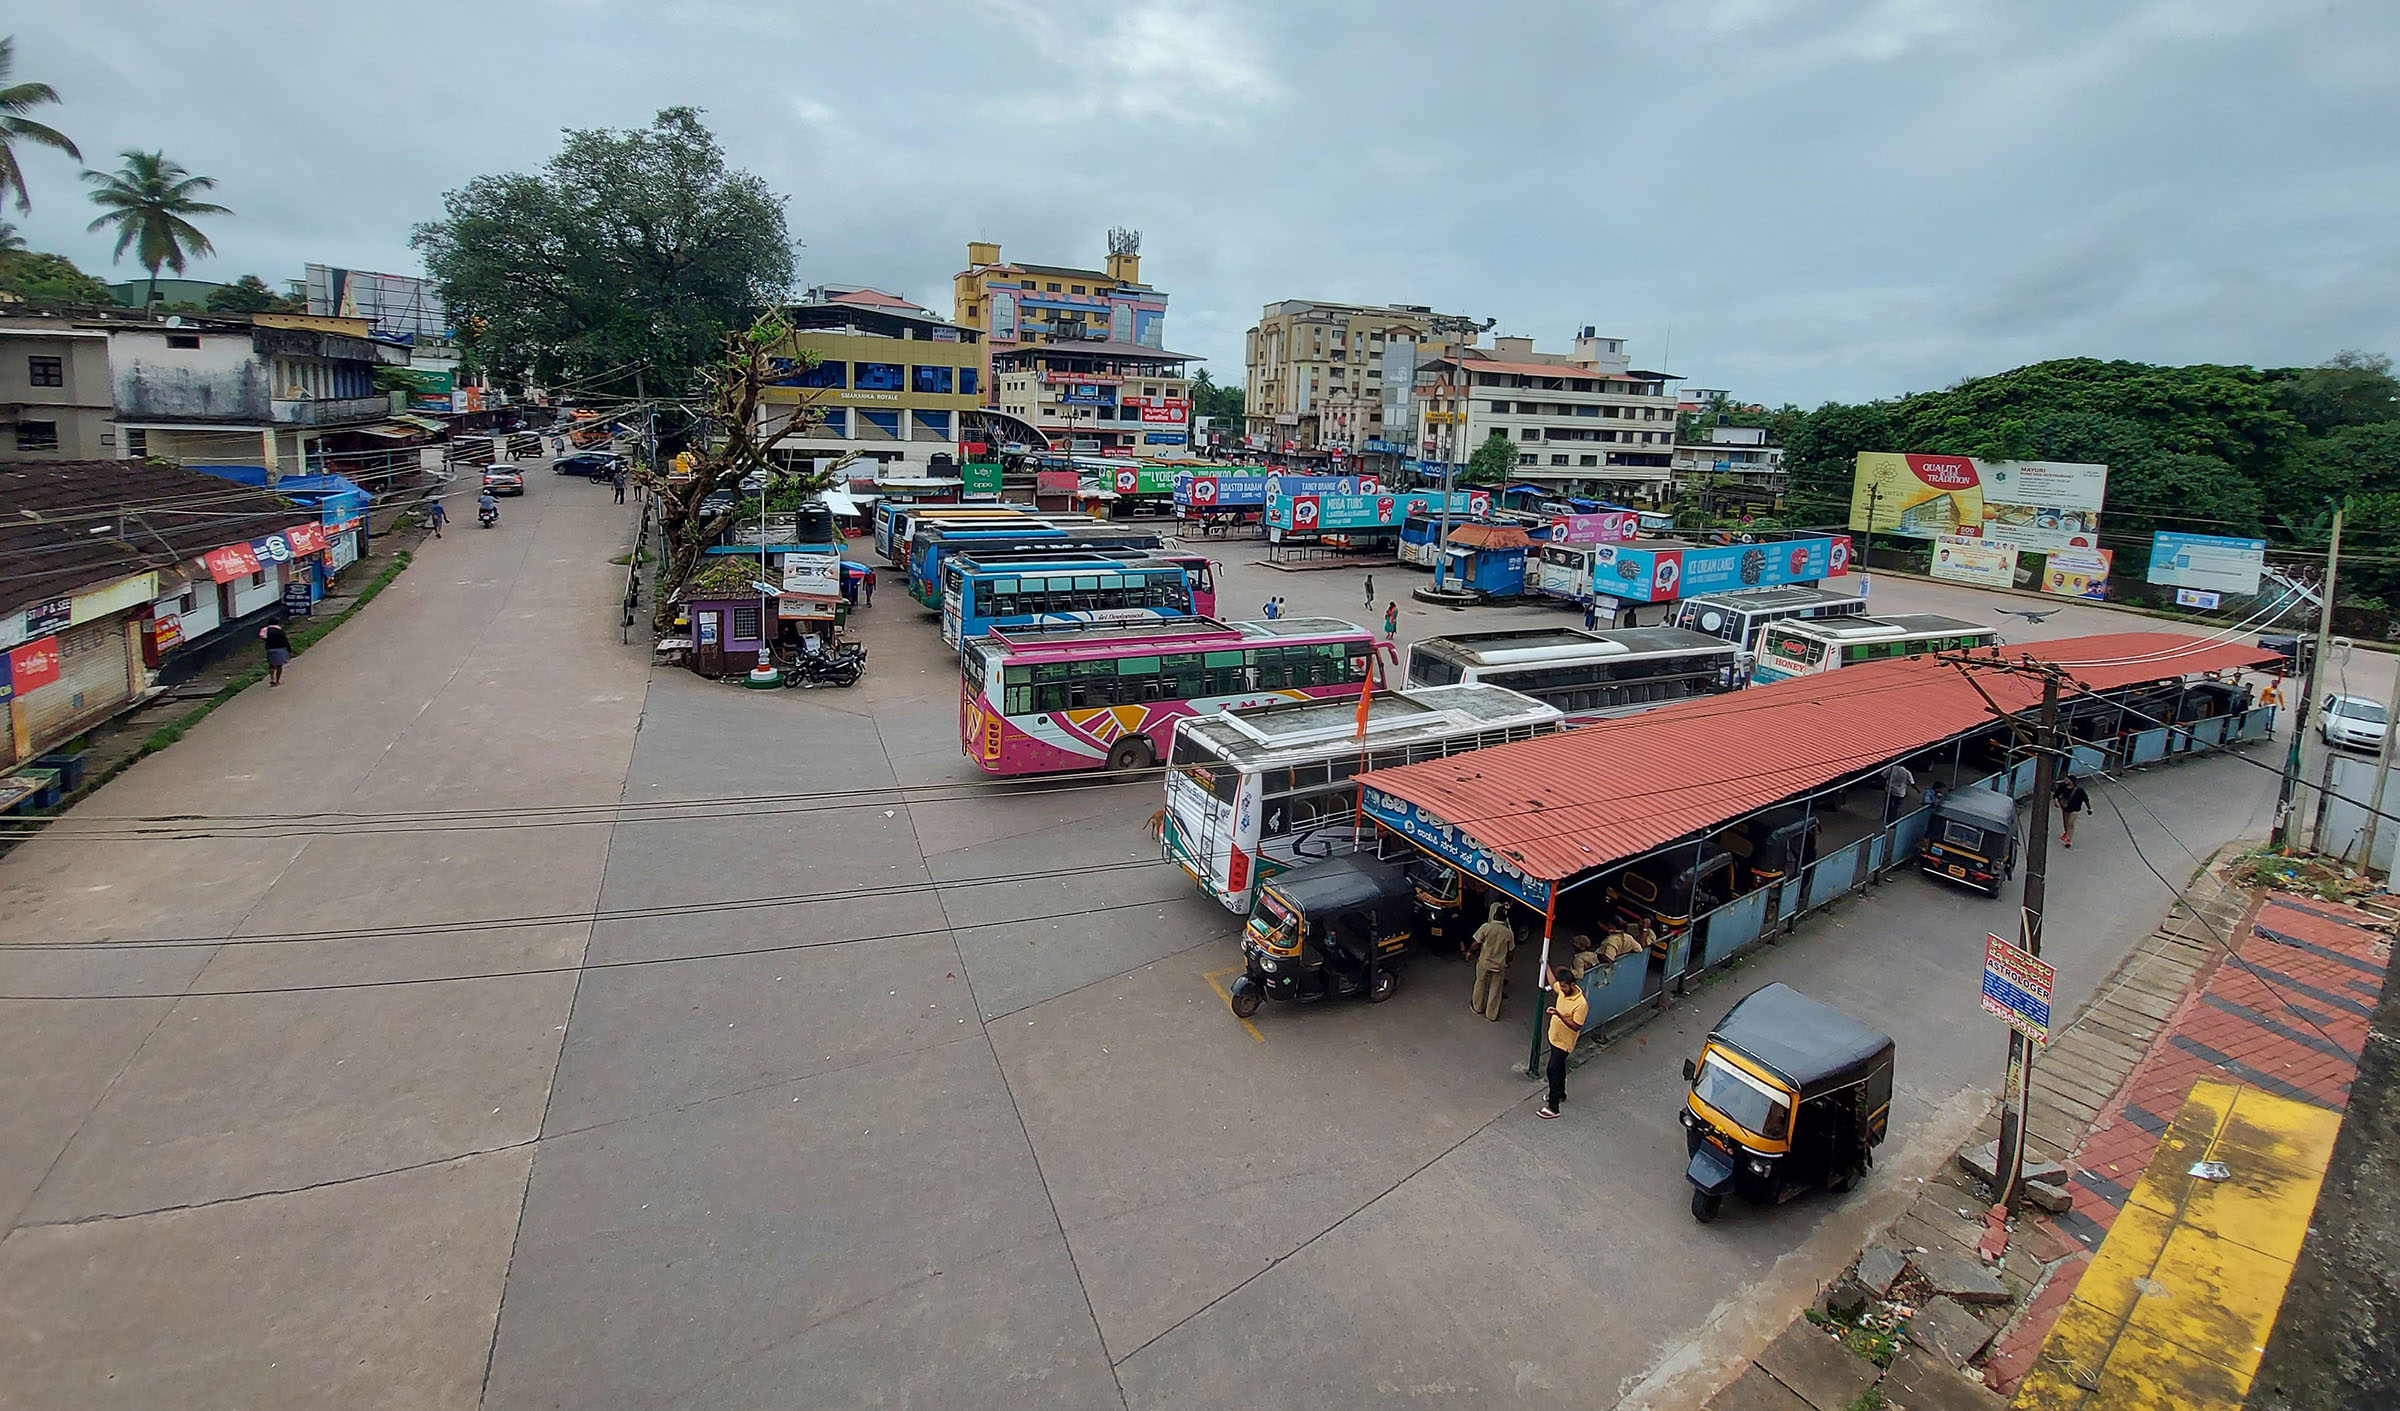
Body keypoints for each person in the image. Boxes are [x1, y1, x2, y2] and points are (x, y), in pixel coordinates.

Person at [1539, 966, 1588, 1119]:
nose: (1561, 989)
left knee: (1552, 1070)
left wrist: (1558, 1014)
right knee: (1559, 1068)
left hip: (1564, 1043)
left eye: (1564, 986)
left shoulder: (1581, 1004)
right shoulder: (1562, 990)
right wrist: (1546, 965)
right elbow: (1552, 981)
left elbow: (1576, 1026)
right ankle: (1560, 1093)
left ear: (1572, 985)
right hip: (1554, 1037)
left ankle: (1553, 1106)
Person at [1469, 904, 1515, 1021]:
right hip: (1499, 965)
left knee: (1480, 983)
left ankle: (1477, 1007)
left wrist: (1470, 952)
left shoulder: (1486, 927)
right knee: (1496, 989)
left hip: (1484, 962)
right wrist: (1508, 961)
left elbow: (1476, 944)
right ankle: (1491, 1015)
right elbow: (1511, 952)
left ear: (1495, 915)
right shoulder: (1508, 933)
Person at [2054, 771, 2091, 847]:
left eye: (2067, 780)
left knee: (2071, 823)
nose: (2065, 781)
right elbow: (2056, 795)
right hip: (2065, 808)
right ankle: (2066, 833)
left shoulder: (2079, 790)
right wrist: (2056, 801)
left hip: (2075, 809)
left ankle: (2068, 840)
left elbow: (2086, 800)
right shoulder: (2062, 787)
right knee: (2066, 822)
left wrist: (2089, 808)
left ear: (2071, 781)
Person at [260, 621, 291, 687]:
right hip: (280, 649)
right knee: (279, 666)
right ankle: (277, 681)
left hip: (270, 649)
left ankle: (272, 679)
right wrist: (289, 650)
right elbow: (285, 641)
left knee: (271, 665)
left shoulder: (266, 630)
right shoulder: (280, 631)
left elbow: (263, 637)